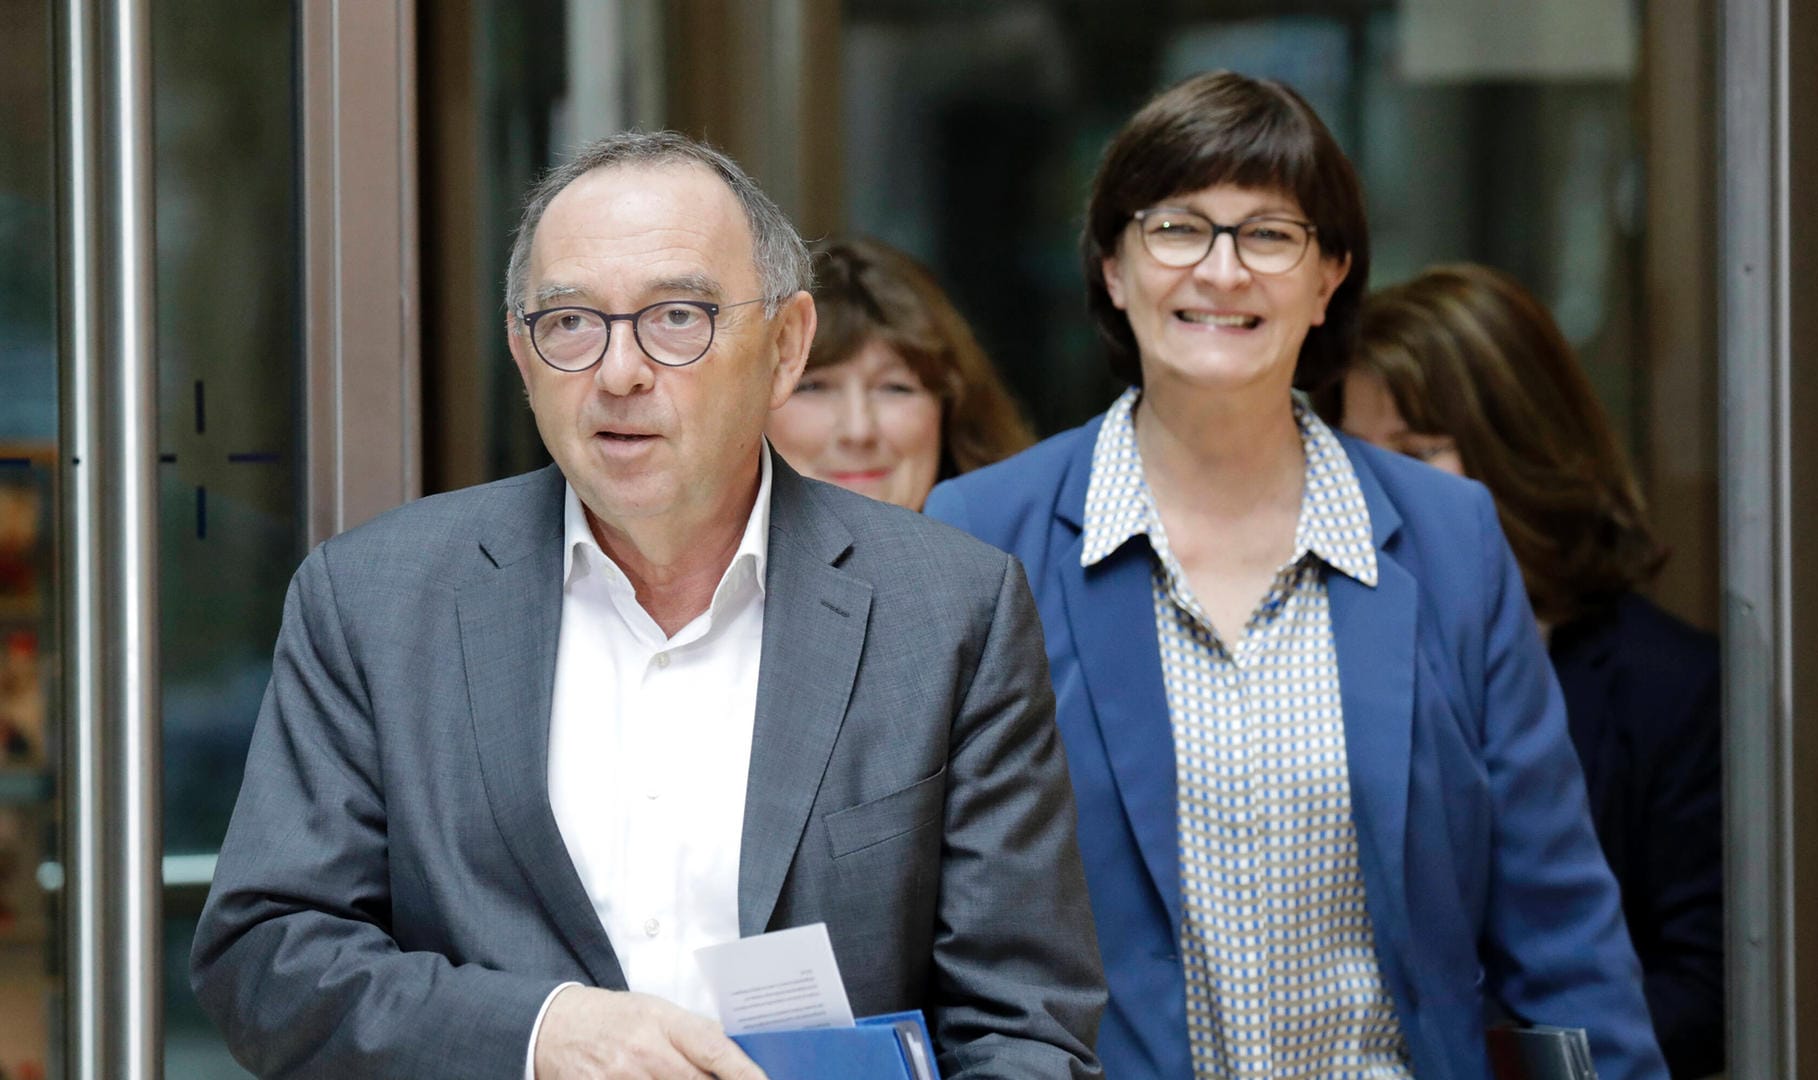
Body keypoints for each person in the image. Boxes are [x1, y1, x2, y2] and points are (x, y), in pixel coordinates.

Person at [190, 131, 1105, 1080]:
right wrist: (539, 1036)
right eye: (572, 322)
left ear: (786, 346)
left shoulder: (950, 610)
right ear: (522, 352)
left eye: (677, 317)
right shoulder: (376, 602)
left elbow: (1025, 1025)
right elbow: (268, 957)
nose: (620, 371)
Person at [926, 71, 1667, 1079]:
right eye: (1177, 228)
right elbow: (941, 924)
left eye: (1270, 235)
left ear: (1329, 279)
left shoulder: (1448, 538)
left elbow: (1560, 923)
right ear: (1111, 266)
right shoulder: (983, 533)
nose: (1222, 272)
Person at [1319, 262, 1723, 1078]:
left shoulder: (1670, 686)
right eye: (1356, 459)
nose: (1377, 494)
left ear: (1520, 448)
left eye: (1418, 453)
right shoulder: (1320, 658)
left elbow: (1708, 983)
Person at [766, 237, 1032, 510]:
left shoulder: (1016, 548)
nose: (859, 431)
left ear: (952, 408)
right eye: (813, 387)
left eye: (894, 388)